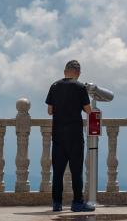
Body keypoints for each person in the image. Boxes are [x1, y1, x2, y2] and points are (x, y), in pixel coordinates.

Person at [46, 60, 93, 213]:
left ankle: (57, 204)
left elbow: (50, 111)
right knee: (76, 171)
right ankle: (77, 203)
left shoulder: (54, 86)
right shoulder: (80, 87)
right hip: (74, 136)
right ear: (78, 72)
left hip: (58, 135)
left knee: (58, 172)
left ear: (65, 71)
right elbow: (88, 110)